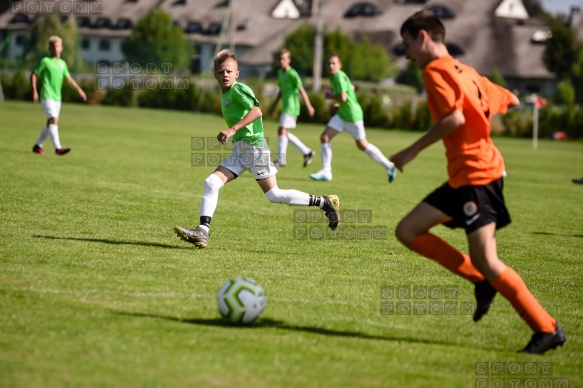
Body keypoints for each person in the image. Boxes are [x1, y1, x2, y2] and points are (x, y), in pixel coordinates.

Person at [391, 11, 565, 354]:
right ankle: (480, 281)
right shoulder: (468, 72)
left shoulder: (435, 71)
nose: (408, 53)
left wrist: (411, 151)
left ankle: (547, 328)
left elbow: (453, 118)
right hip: (465, 176)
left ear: (423, 37)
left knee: (487, 259)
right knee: (408, 230)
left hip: (477, 175)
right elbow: (511, 98)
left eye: (408, 44)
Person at [175, 49, 340, 249]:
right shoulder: (225, 95)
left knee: (275, 195)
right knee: (211, 183)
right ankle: (202, 231)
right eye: (221, 72)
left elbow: (257, 111)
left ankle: (324, 202)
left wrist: (232, 129)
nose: (225, 75)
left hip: (254, 149)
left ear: (237, 73)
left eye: (229, 71)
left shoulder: (238, 89)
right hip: (241, 151)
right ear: (215, 75)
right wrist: (233, 133)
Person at [309, 53, 397, 183]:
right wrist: (340, 101)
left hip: (352, 116)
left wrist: (330, 96)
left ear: (340, 65)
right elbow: (351, 88)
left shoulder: (338, 77)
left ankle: (389, 166)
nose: (331, 66)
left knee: (363, 145)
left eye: (334, 63)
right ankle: (326, 171)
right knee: (325, 137)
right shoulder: (337, 77)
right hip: (343, 115)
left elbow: (343, 97)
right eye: (329, 64)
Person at [31, 35, 86, 156]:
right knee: (54, 120)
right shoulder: (45, 61)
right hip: (47, 95)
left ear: (62, 48)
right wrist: (34, 90)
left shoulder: (62, 64)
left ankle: (38, 146)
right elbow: (34, 74)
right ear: (50, 48)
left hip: (57, 97)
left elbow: (69, 79)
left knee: (50, 123)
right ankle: (58, 149)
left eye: (58, 46)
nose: (56, 48)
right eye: (53, 46)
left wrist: (80, 90)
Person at [268, 49, 316, 168]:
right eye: (280, 59)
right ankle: (307, 152)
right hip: (286, 106)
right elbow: (281, 91)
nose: (281, 61)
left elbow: (302, 91)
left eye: (284, 59)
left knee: (282, 131)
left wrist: (309, 106)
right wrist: (274, 105)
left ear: (289, 60)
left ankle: (281, 160)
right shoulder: (280, 73)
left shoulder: (292, 74)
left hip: (292, 107)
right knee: (283, 132)